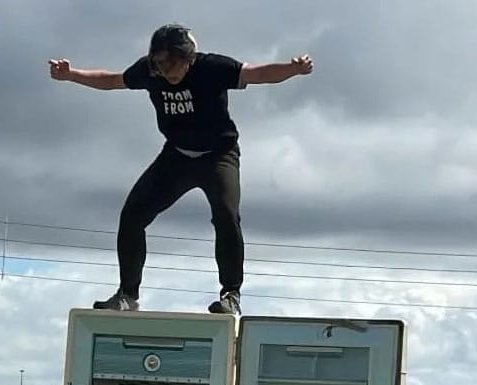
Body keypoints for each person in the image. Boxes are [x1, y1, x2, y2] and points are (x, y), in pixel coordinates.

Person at [48, 23, 313, 314]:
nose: (167, 73)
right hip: (176, 156)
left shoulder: (212, 67)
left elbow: (258, 74)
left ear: (189, 58)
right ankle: (127, 295)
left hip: (219, 155)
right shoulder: (149, 71)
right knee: (133, 214)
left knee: (226, 215)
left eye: (172, 65)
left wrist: (293, 69)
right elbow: (112, 81)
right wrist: (71, 75)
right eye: (160, 66)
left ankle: (231, 296)